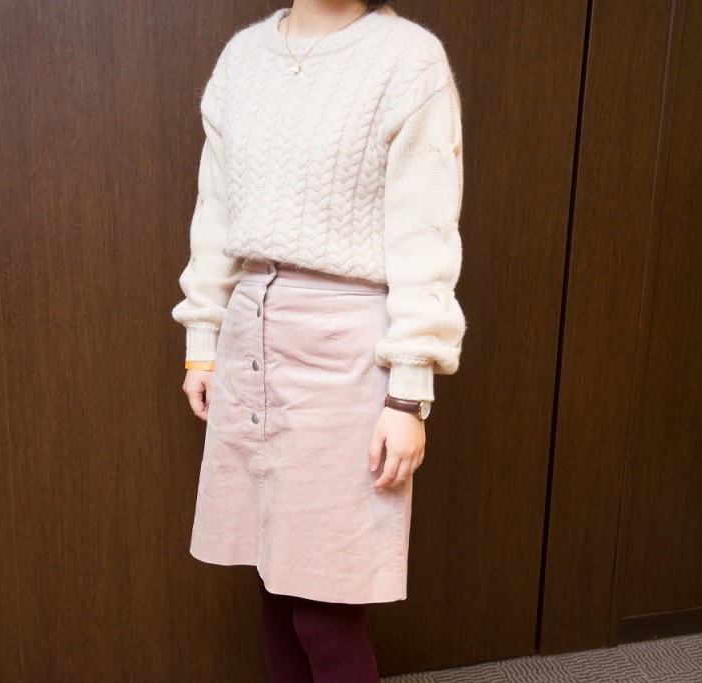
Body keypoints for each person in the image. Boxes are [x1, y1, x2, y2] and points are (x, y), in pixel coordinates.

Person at [172, 0, 465, 680]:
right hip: (250, 334)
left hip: (347, 349)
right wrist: (202, 338)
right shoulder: (242, 58)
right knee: (273, 584)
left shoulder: (408, 59)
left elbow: (424, 233)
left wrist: (408, 394)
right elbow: (215, 212)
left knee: (324, 607)